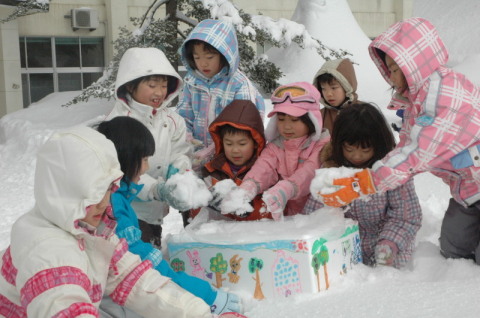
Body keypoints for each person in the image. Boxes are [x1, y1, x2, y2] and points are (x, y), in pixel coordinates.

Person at [312, 17, 480, 265]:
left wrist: (364, 182)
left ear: (412, 64)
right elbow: (406, 147)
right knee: (454, 248)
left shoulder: (442, 95)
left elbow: (415, 153)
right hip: (466, 190)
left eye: (393, 68)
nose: (389, 76)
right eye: (388, 68)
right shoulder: (420, 98)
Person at [0, 126, 212, 318]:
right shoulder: (48, 252)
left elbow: (133, 279)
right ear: (66, 193)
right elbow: (64, 306)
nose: (103, 203)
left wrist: (198, 312)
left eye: (109, 189)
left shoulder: (92, 228)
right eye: (93, 194)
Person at [96, 117, 242, 317]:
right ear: (125, 158)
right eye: (145, 159)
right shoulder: (113, 208)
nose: (147, 168)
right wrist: (207, 296)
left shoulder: (116, 196)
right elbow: (150, 270)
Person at [306, 103, 422, 268]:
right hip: (344, 248)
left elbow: (407, 216)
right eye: (350, 149)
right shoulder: (332, 171)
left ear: (378, 144)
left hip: (388, 245)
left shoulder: (392, 172)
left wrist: (390, 243)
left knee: (389, 278)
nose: (357, 156)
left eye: (365, 150)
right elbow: (315, 211)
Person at [105, 47, 193, 248]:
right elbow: (123, 169)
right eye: (152, 85)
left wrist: (179, 172)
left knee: (152, 253)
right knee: (137, 263)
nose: (159, 92)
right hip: (127, 211)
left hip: (156, 212)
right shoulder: (118, 123)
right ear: (129, 86)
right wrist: (155, 189)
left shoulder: (172, 120)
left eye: (164, 86)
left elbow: (180, 151)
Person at [220, 82, 330, 220]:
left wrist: (286, 189)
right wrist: (248, 187)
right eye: (281, 119)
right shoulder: (276, 146)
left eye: (294, 120)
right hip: (288, 217)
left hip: (318, 216)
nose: (286, 126)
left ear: (311, 120)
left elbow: (310, 172)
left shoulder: (322, 145)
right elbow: (264, 167)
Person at [176, 19, 265, 173]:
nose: (203, 63)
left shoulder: (239, 86)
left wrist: (210, 152)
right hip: (195, 157)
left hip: (230, 160)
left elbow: (243, 130)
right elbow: (184, 117)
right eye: (197, 58)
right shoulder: (192, 82)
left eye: (209, 57)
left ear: (224, 55)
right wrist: (188, 142)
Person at [188, 99, 270, 222]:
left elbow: (271, 213)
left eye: (242, 144)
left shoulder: (265, 172)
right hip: (221, 238)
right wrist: (206, 203)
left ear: (255, 143)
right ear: (221, 143)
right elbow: (197, 218)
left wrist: (248, 209)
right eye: (229, 143)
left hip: (255, 237)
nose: (235, 150)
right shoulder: (211, 171)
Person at [312, 58, 358, 133]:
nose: (328, 94)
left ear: (347, 87)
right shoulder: (318, 116)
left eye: (334, 88)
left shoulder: (364, 113)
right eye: (323, 88)